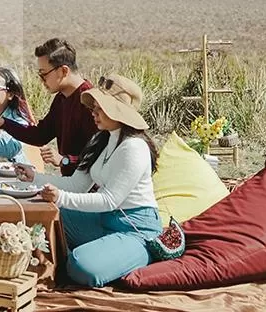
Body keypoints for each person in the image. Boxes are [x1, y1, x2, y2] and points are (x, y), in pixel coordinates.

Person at [14, 74, 161, 287]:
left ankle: (139, 254)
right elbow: (77, 185)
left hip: (135, 227)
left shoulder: (134, 147)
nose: (93, 112)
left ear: (117, 112)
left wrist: (61, 198)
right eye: (93, 107)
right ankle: (102, 251)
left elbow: (109, 200)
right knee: (42, 218)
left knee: (80, 266)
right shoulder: (101, 139)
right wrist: (34, 177)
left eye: (99, 107)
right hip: (102, 219)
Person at [0, 38, 96, 176]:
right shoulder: (62, 98)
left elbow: (99, 156)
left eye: (43, 74)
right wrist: (2, 123)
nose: (41, 81)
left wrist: (64, 160)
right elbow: (40, 135)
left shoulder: (90, 102)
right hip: (72, 183)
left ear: (63, 71)